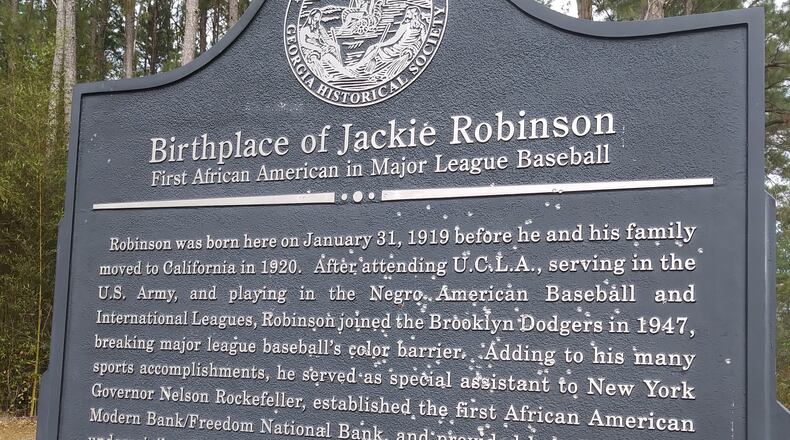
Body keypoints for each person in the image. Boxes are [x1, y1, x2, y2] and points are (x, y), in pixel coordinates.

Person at [352, 6, 427, 77]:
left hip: (395, 50)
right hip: (402, 50)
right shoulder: (422, 26)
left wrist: (381, 44)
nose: (406, 15)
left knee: (374, 48)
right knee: (374, 48)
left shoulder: (405, 25)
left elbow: (394, 39)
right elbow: (424, 41)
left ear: (412, 15)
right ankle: (368, 69)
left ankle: (357, 67)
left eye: (408, 14)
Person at [299, 9, 355, 80]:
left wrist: (335, 44)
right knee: (314, 59)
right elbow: (303, 43)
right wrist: (316, 48)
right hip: (309, 52)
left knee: (329, 57)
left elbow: (327, 40)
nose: (317, 20)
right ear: (311, 17)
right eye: (315, 17)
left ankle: (346, 72)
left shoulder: (320, 28)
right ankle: (324, 76)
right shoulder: (304, 29)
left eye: (319, 18)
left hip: (320, 51)